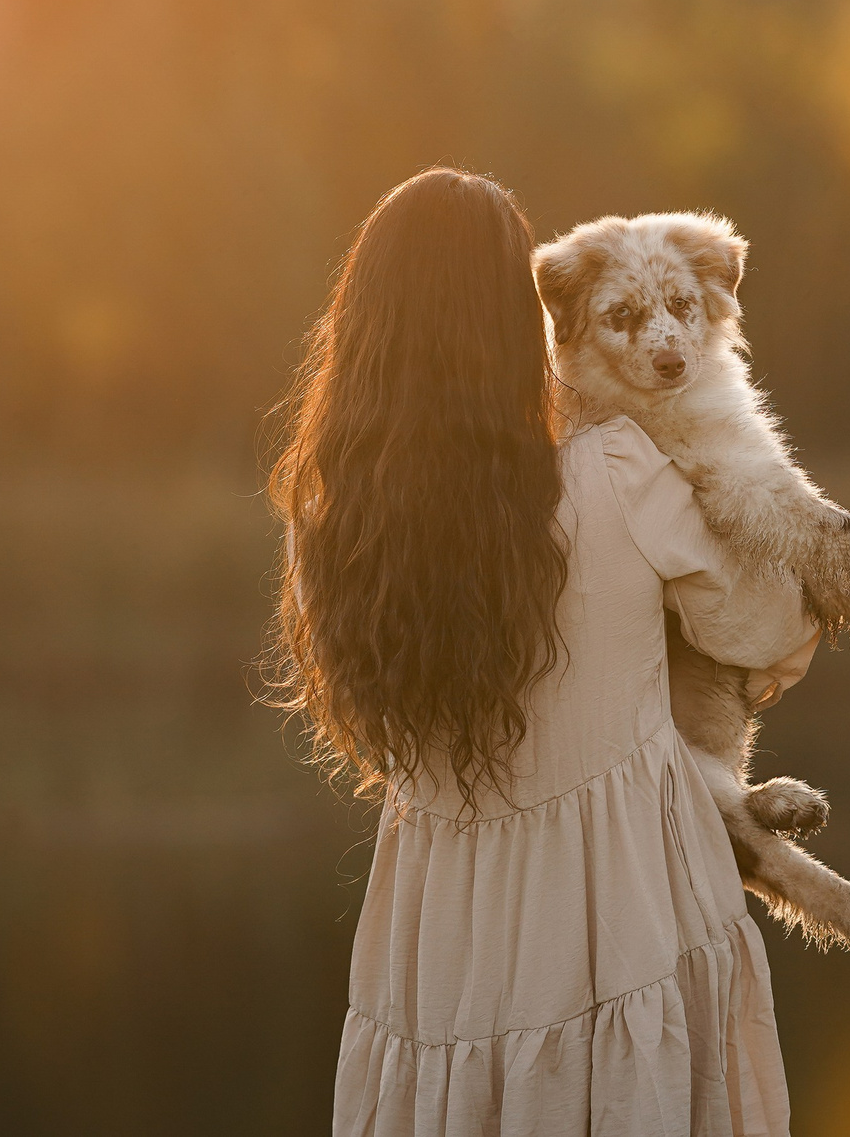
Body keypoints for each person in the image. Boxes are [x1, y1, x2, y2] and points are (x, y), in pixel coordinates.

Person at [269, 168, 819, 1137]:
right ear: (518, 330)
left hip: (440, 961)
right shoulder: (613, 476)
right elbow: (772, 630)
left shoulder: (325, 531)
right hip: (630, 924)